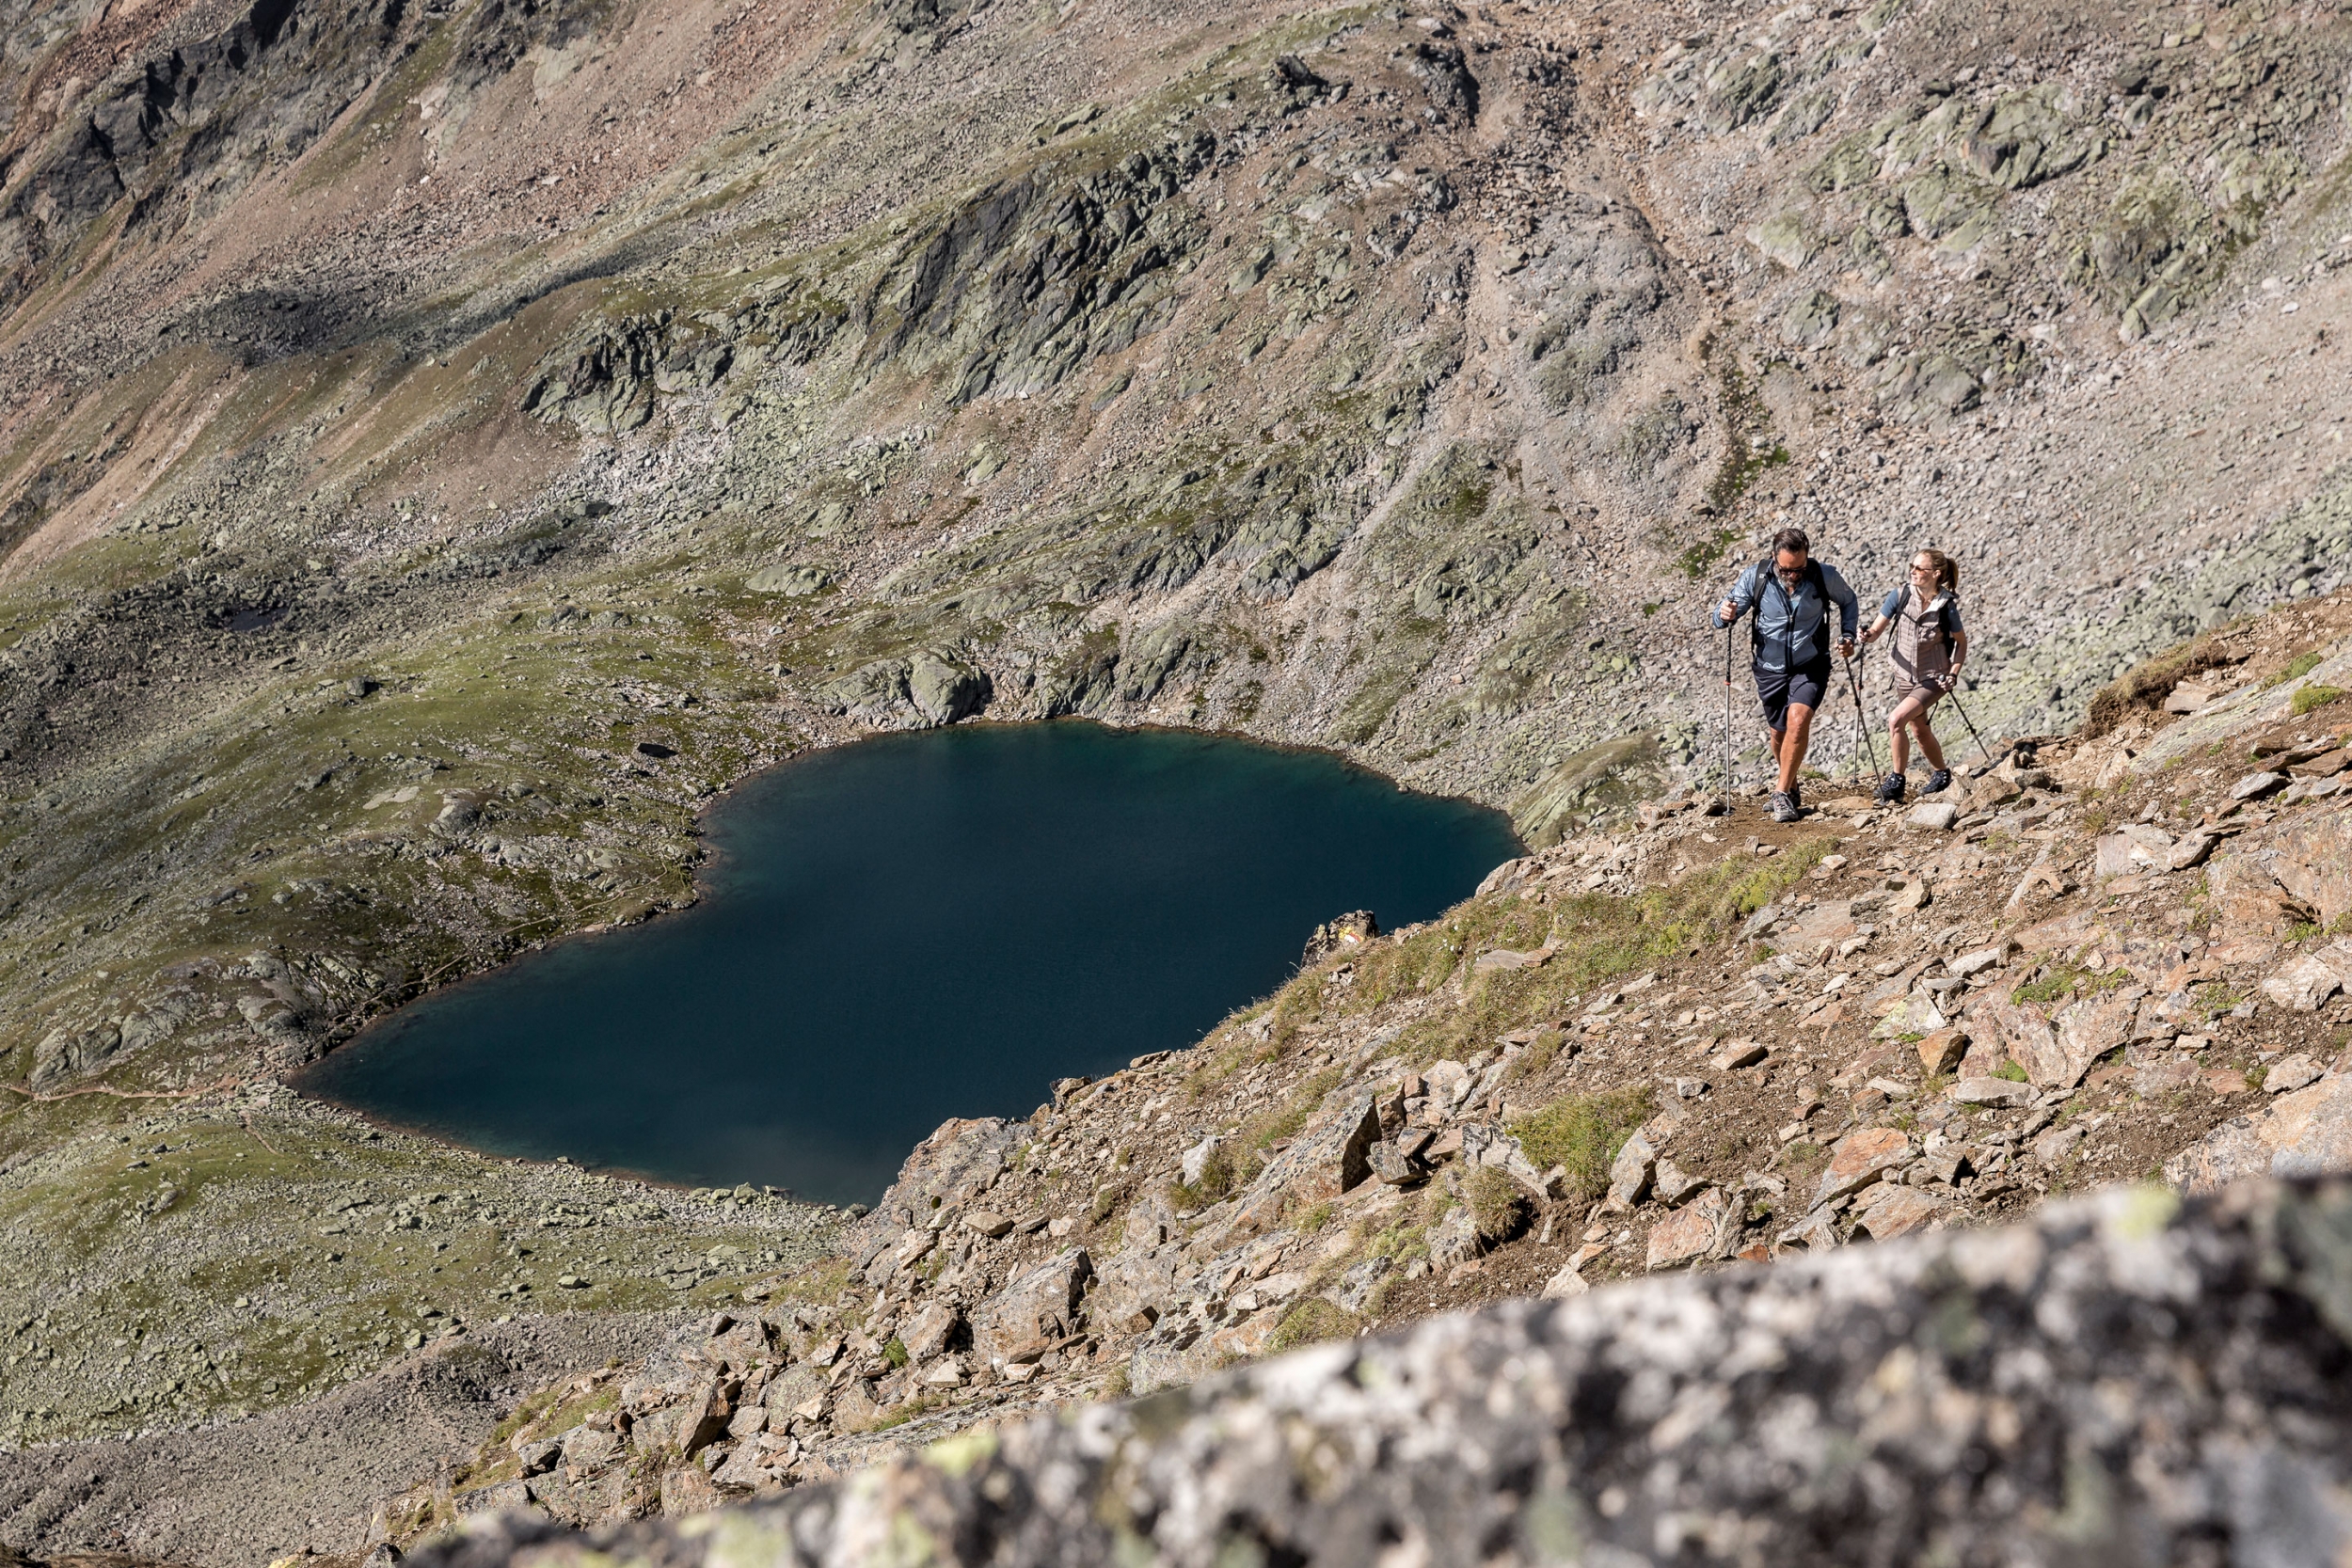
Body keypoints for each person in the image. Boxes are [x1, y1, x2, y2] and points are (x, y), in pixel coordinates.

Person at [1714, 527, 1858, 824]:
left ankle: (1780, 792)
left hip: (1811, 665)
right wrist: (1723, 614)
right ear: (1773, 559)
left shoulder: (1823, 575)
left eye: (1799, 569)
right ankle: (1791, 788)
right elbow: (1726, 612)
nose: (1793, 576)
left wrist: (1848, 635)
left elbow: (1848, 601)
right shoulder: (1756, 577)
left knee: (1799, 720)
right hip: (1769, 669)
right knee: (1778, 732)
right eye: (1786, 570)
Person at [1858, 547, 1968, 805]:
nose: (1913, 572)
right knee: (1918, 729)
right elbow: (1876, 630)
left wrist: (1953, 673)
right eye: (1913, 566)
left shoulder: (1946, 606)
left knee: (1896, 719)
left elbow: (1962, 643)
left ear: (1936, 573)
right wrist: (1867, 635)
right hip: (1903, 675)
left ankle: (1896, 781)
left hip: (1934, 677)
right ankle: (1942, 773)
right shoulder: (1900, 595)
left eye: (1920, 568)